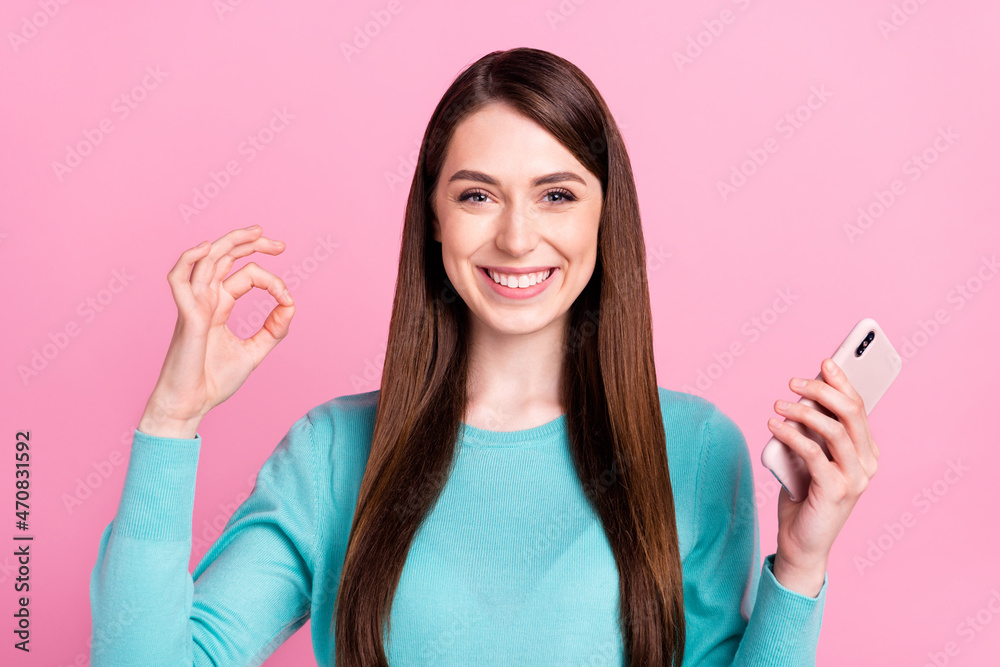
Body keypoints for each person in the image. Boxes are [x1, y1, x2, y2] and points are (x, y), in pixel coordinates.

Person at [90, 47, 880, 666]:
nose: (515, 237)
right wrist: (171, 420)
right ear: (433, 218)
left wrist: (802, 565)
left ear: (607, 218)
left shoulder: (699, 449)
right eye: (477, 195)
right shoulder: (331, 454)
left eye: (557, 194)